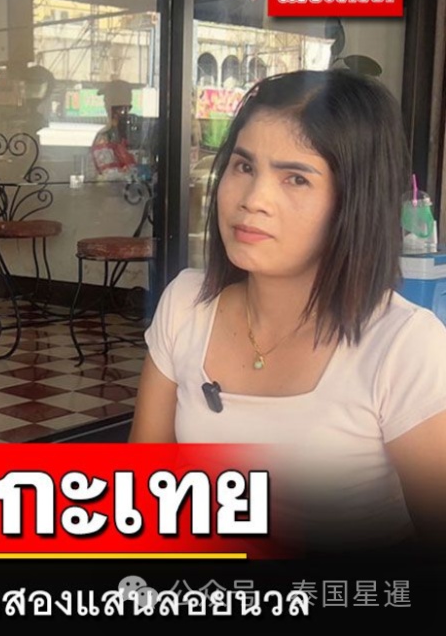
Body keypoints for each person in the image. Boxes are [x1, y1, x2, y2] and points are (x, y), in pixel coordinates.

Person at [129, 69, 446, 555]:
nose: (253, 200)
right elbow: (144, 487)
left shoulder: (405, 345)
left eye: (296, 178)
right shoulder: (187, 304)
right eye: (243, 166)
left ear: (354, 200)